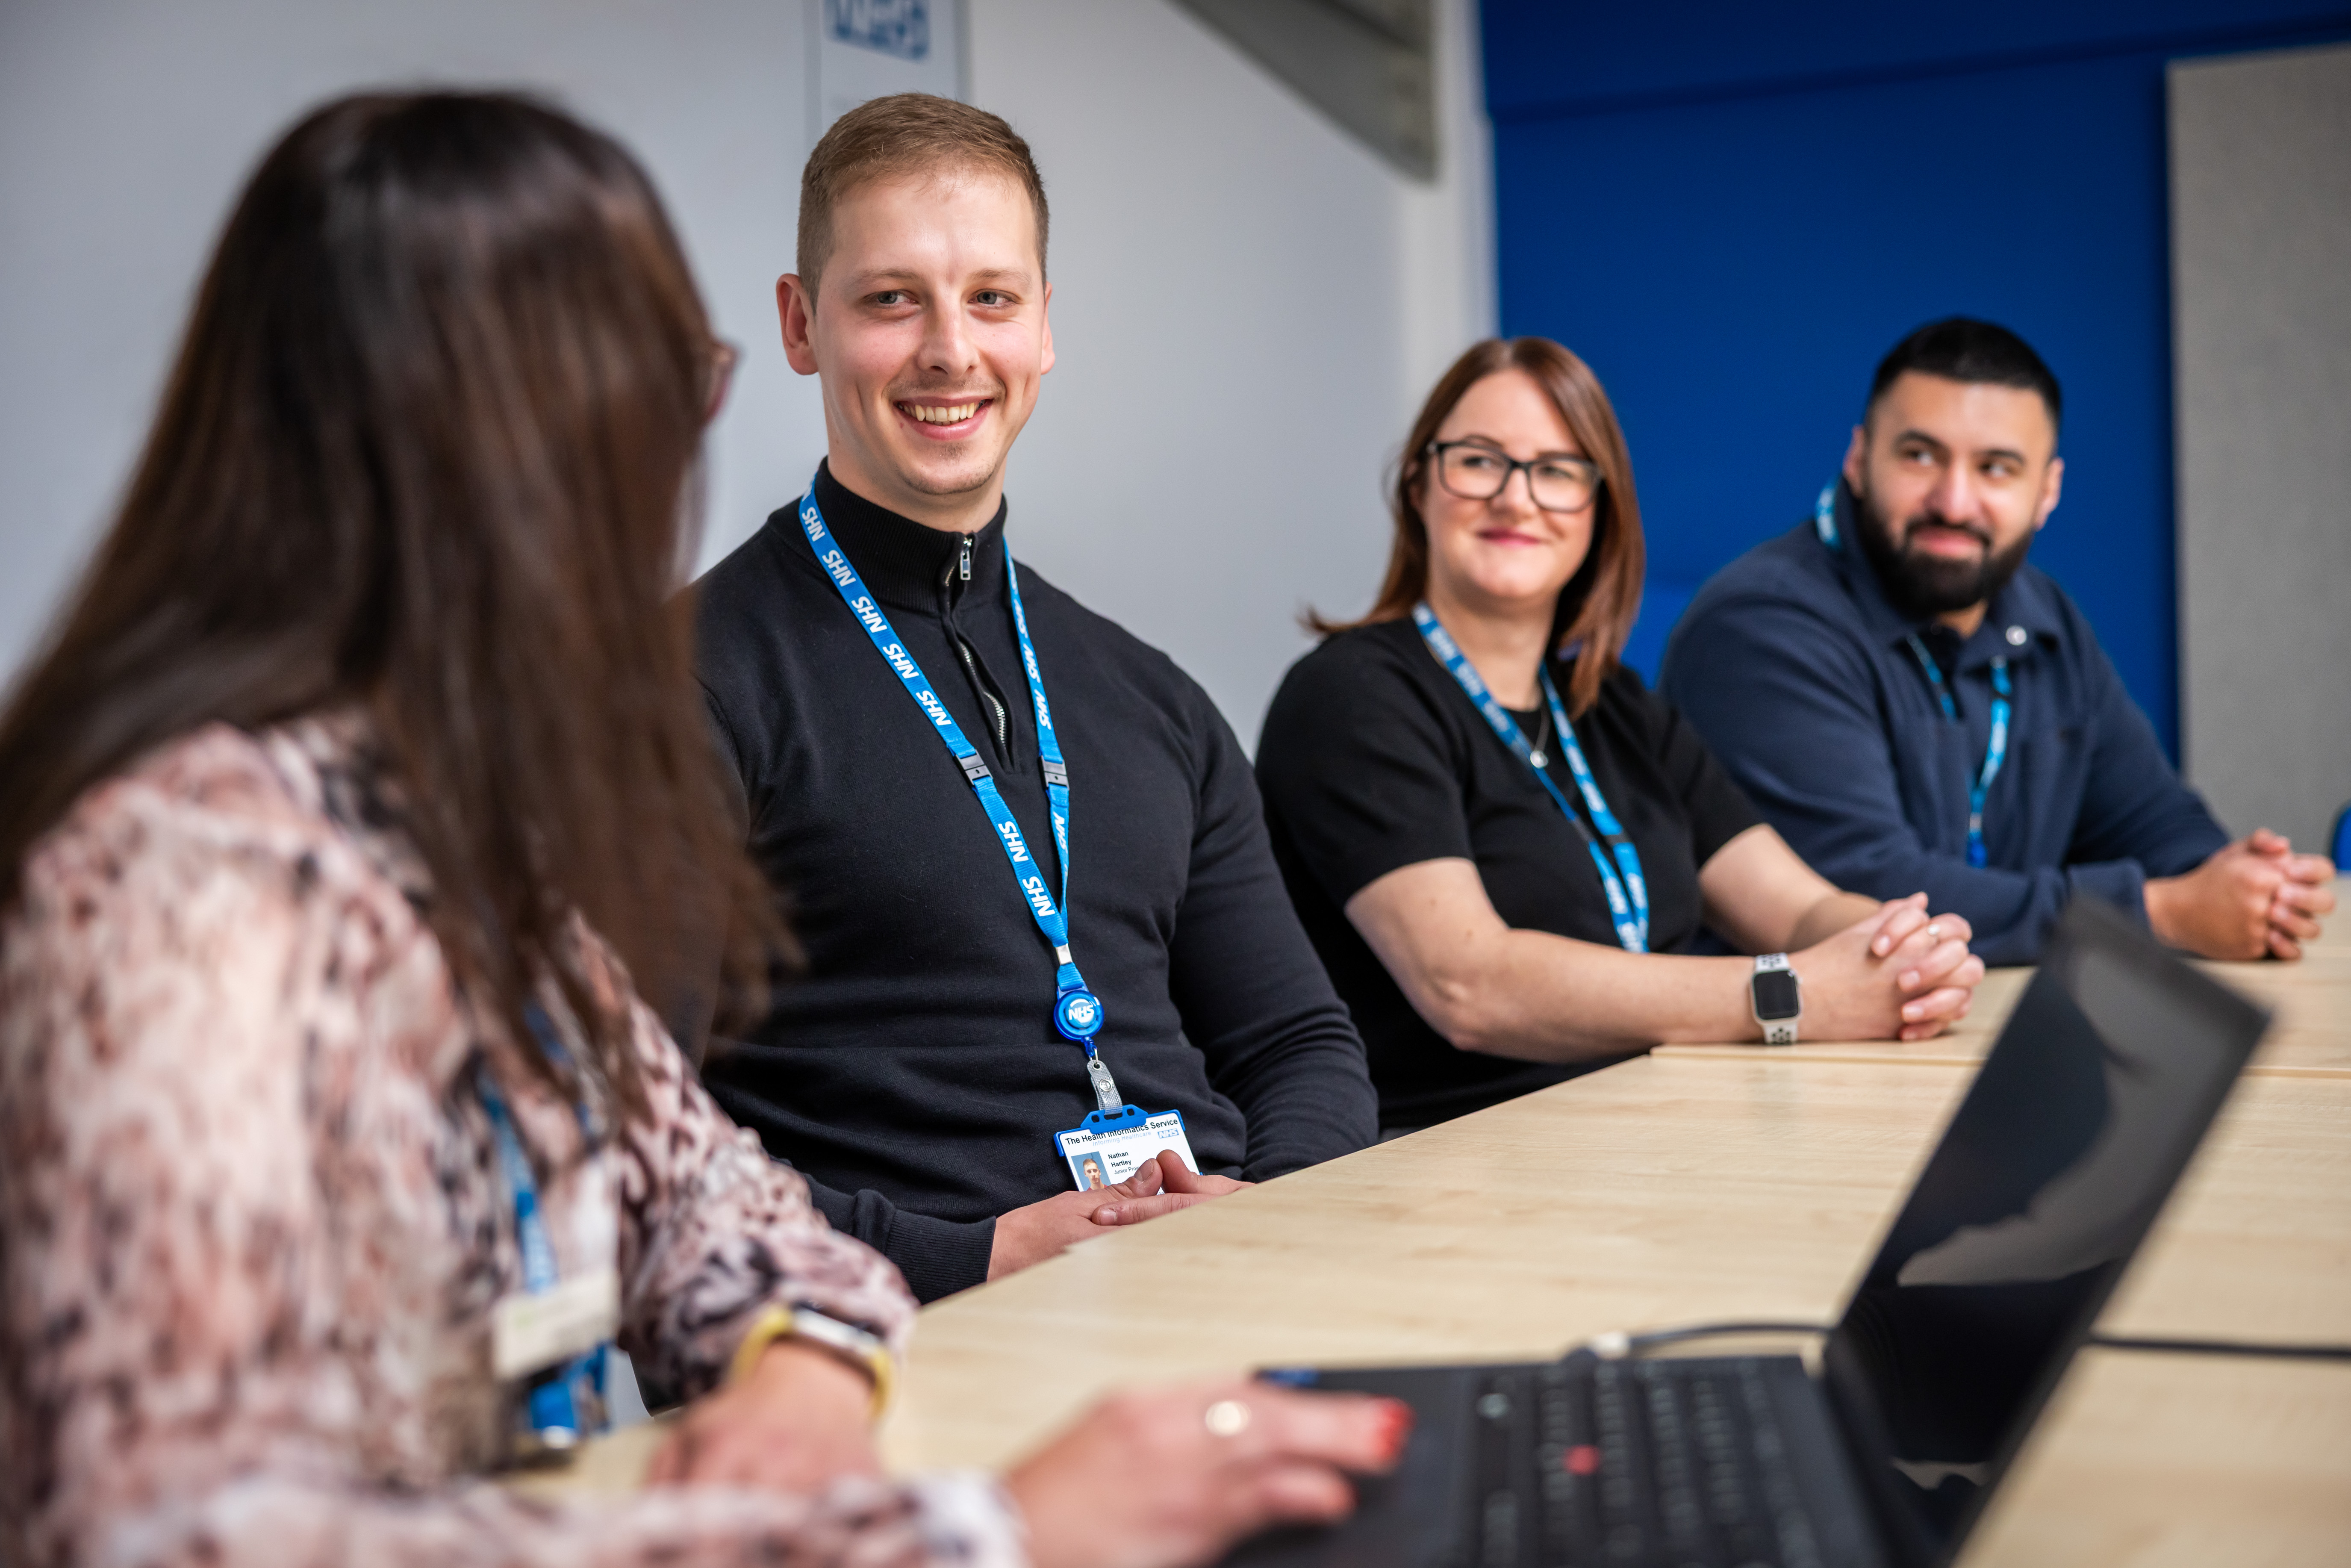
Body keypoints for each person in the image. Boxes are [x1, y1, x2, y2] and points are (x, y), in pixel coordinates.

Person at [0, 91, 1405, 1568]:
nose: (674, 458)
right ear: (421, 436)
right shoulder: (177, 880)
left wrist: (808, 1354)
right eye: (652, 391)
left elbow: (704, 1201)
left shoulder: (440, 823)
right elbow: (180, 1528)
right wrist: (993, 1527)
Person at [692, 93, 1378, 1299]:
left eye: (991, 299)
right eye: (891, 297)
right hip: (908, 1339)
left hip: (1222, 1295)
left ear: (1044, 328)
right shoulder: (684, 679)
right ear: (802, 324)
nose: (951, 350)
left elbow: (1298, 1046)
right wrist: (985, 1253)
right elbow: (628, 1142)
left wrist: (1266, 1218)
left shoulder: (1148, 694)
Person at [1252, 338, 1987, 1133]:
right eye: (1478, 461)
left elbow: (1795, 908)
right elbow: (1469, 986)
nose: (1516, 498)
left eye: (1558, 471)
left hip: (1644, 1123)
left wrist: (1902, 952)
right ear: (1418, 484)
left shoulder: (1617, 708)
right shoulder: (1350, 695)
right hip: (1448, 1156)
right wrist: (1791, 995)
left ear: (1600, 511)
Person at [1659, 318, 2336, 966]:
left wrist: (2243, 885)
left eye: (1997, 468)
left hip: (1973, 1026)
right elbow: (1869, 895)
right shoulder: (1761, 626)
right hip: (1782, 1063)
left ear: (2048, 491)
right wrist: (2162, 913)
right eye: (1921, 456)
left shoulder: (2042, 616)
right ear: (1860, 461)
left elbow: (2152, 820)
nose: (1954, 502)